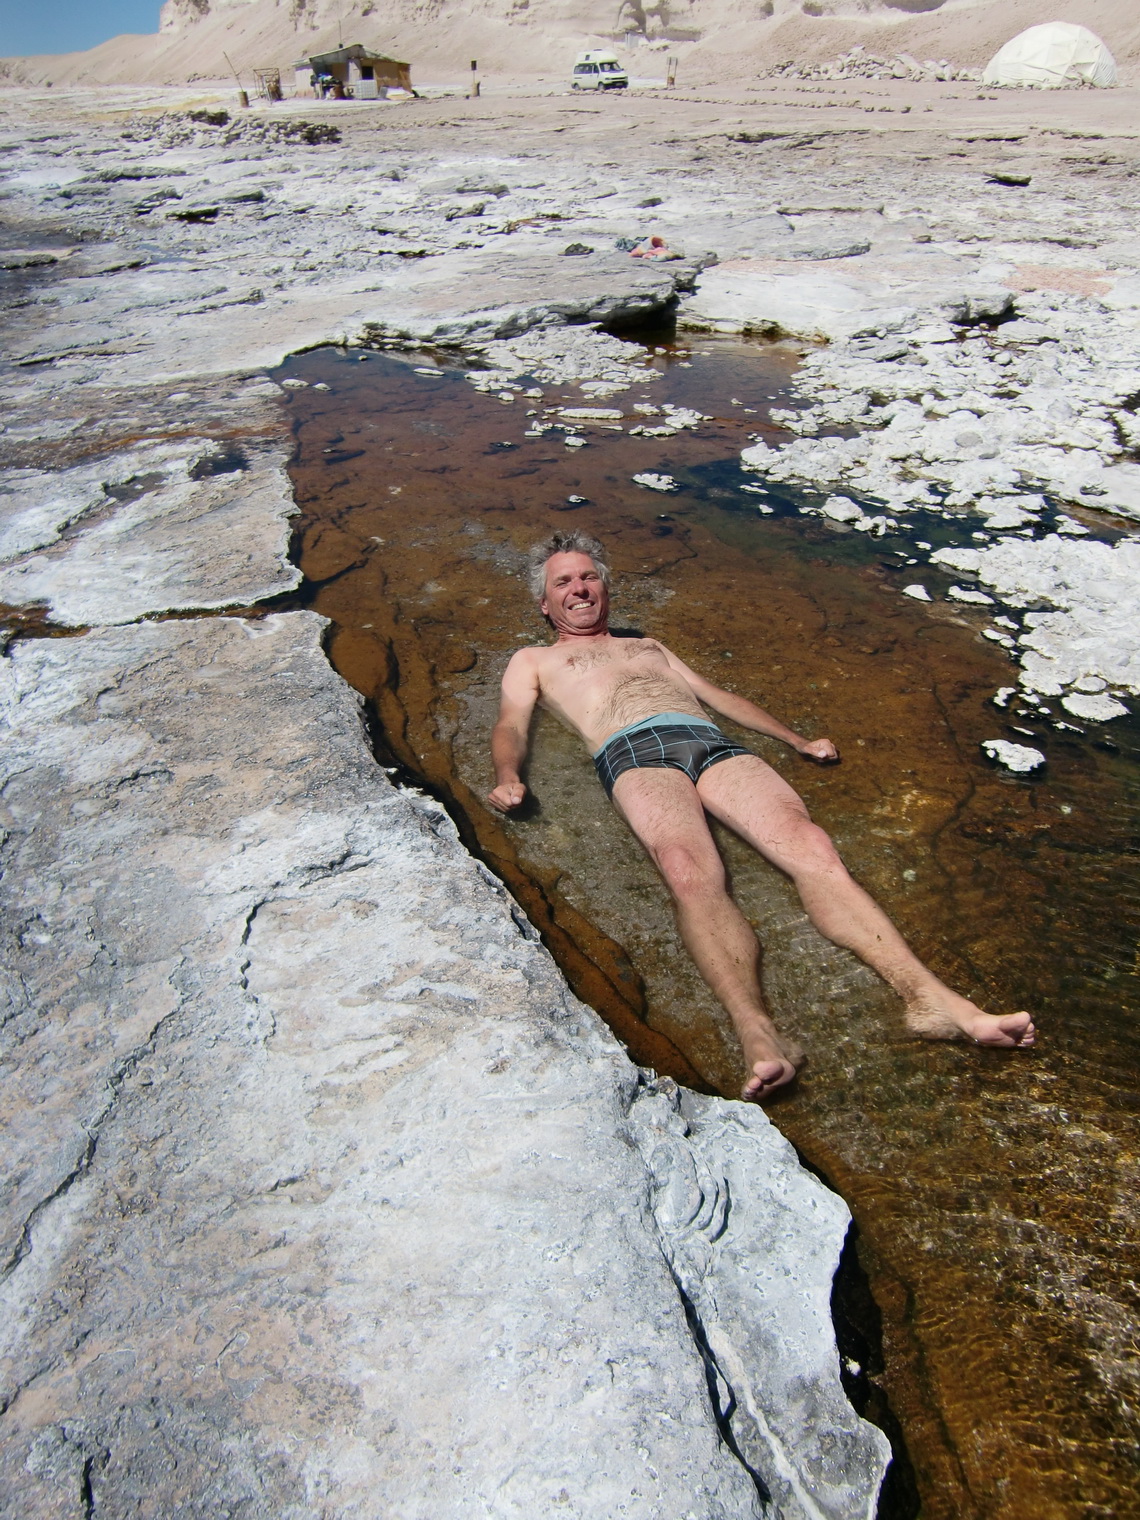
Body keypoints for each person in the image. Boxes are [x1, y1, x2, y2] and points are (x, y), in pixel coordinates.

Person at [487, 530, 1035, 1102]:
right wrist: (508, 774)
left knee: (811, 848)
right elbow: (510, 722)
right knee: (687, 871)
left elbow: (718, 697)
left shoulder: (649, 645)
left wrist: (794, 739)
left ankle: (931, 999)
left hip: (710, 742)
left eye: (588, 576)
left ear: (605, 586)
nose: (580, 588)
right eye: (564, 582)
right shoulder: (535, 659)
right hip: (631, 752)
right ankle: (759, 1031)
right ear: (545, 604)